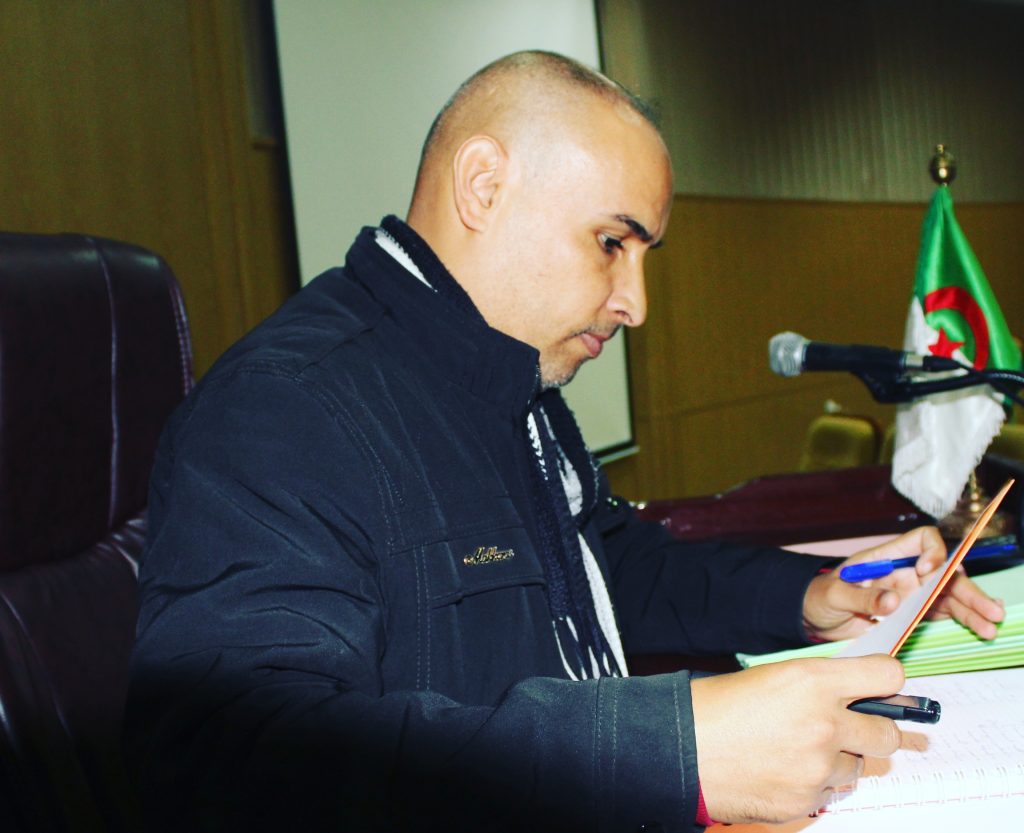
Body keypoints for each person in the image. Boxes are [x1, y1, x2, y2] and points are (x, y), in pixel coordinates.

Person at [124, 51, 1004, 832]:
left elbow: (611, 567)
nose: (635, 303)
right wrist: (672, 750)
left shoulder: (514, 385)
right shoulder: (285, 408)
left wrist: (811, 595)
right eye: (612, 242)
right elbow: (231, 761)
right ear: (483, 185)